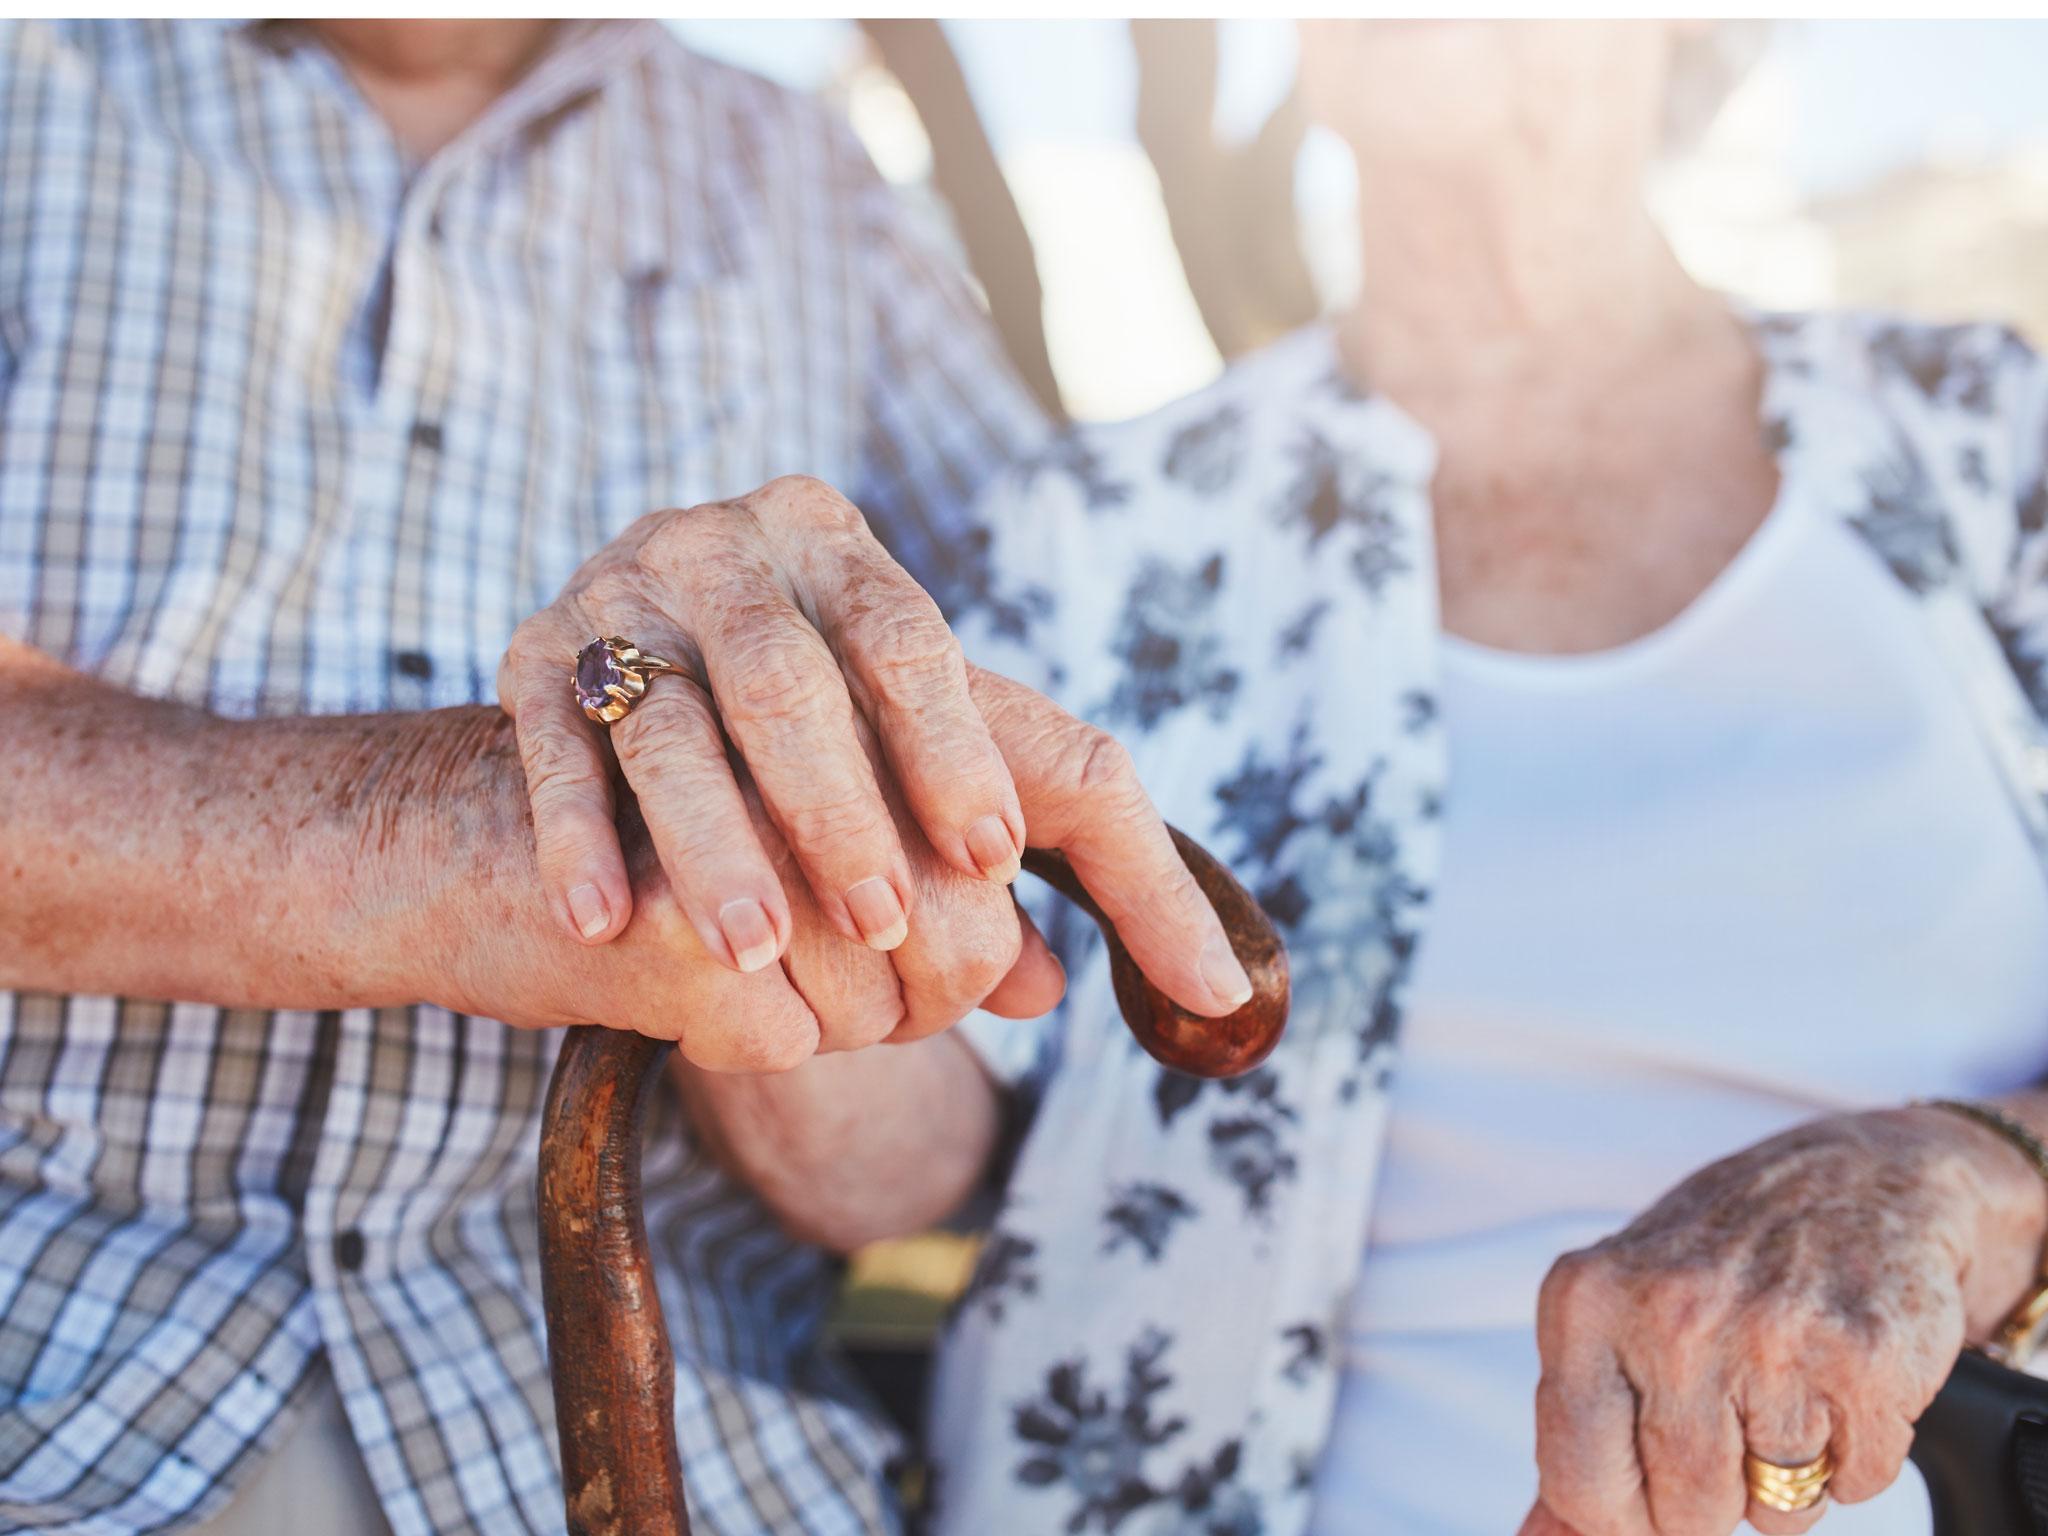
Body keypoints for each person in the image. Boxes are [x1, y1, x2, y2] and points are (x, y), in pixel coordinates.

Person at [640, 20, 2048, 1536]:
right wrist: (749, 824)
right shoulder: (1106, 526)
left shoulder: (1979, 436)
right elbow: (890, 1176)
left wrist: (1981, 1171)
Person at [0, 19, 1251, 1536]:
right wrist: (457, 831)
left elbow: (949, 1126)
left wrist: (794, 883)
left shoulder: (811, 190)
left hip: (692, 1460)